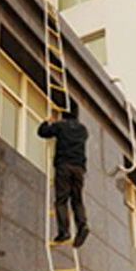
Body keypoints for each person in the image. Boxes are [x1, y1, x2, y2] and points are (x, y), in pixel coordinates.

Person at [37, 98, 90, 248]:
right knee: (77, 200)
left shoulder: (60, 126)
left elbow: (42, 133)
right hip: (79, 168)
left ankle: (64, 231)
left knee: (61, 200)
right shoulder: (83, 129)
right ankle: (82, 226)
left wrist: (47, 122)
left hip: (64, 166)